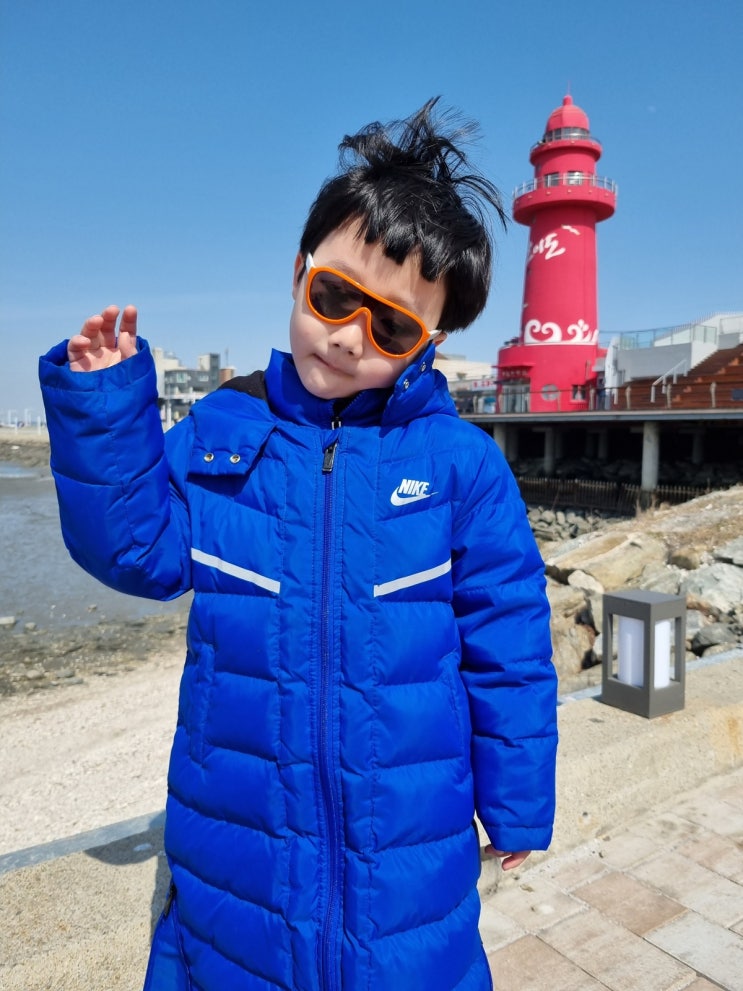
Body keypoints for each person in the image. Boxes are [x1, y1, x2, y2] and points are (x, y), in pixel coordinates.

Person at [39, 99, 557, 991]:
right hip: (236, 836)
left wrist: (516, 800)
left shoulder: (459, 465)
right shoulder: (221, 429)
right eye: (334, 296)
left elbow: (508, 643)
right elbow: (136, 552)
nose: (350, 336)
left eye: (391, 326)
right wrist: (106, 412)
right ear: (297, 274)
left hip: (409, 856)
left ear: (427, 344)